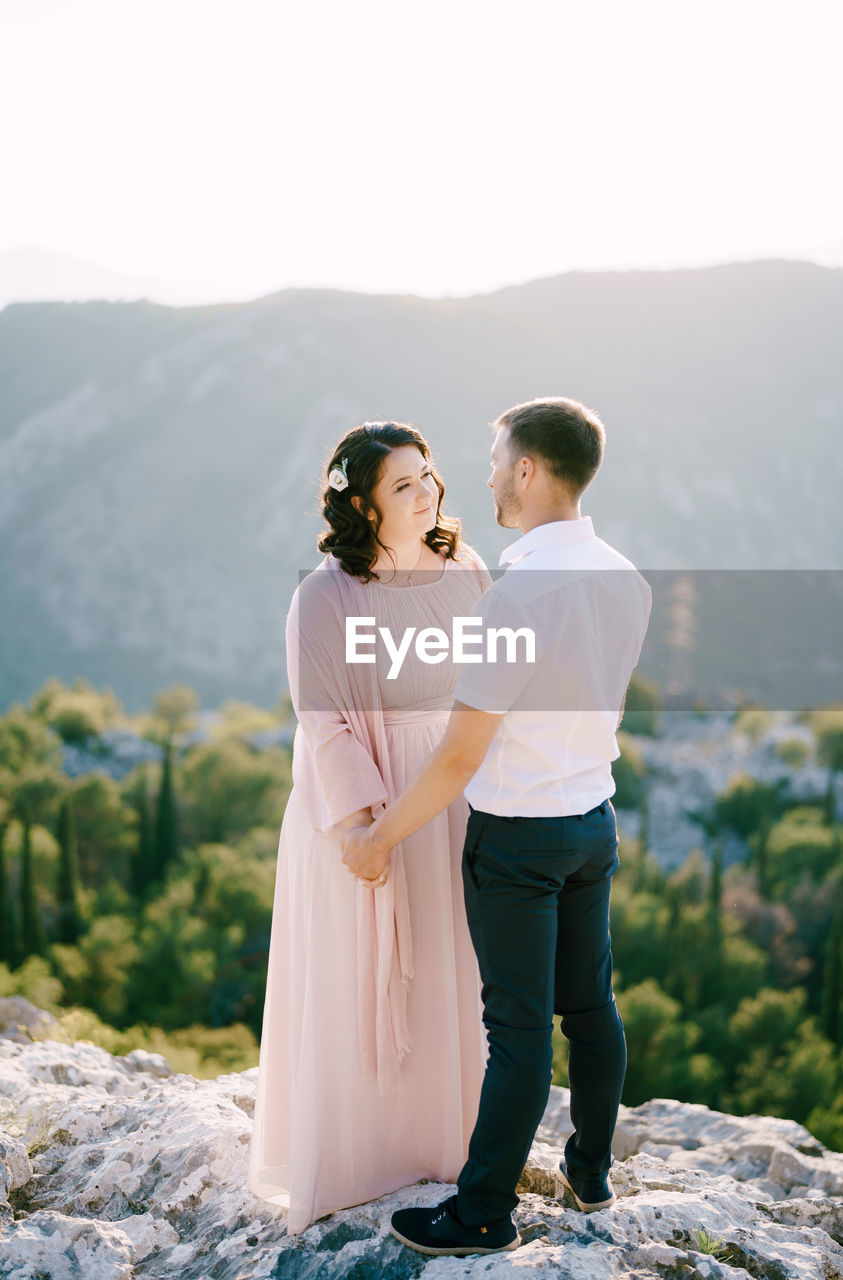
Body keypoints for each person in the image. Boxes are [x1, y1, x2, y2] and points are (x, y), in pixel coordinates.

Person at [344, 396, 653, 1258]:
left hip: (517, 842)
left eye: (493, 460)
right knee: (590, 1008)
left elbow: (455, 760)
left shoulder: (515, 599)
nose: (480, 479)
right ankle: (590, 1174)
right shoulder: (625, 576)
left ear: (526, 469)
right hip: (592, 823)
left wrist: (376, 839)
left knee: (516, 1034)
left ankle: (481, 1215)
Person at [247, 420, 492, 1234]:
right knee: (365, 974)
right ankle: (358, 1156)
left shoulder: (465, 570)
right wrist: (362, 829)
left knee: (448, 966)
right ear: (362, 504)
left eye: (427, 477)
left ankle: (444, 1146)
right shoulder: (324, 595)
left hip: (452, 795)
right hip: (366, 803)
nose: (425, 493)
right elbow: (324, 721)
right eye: (402, 485)